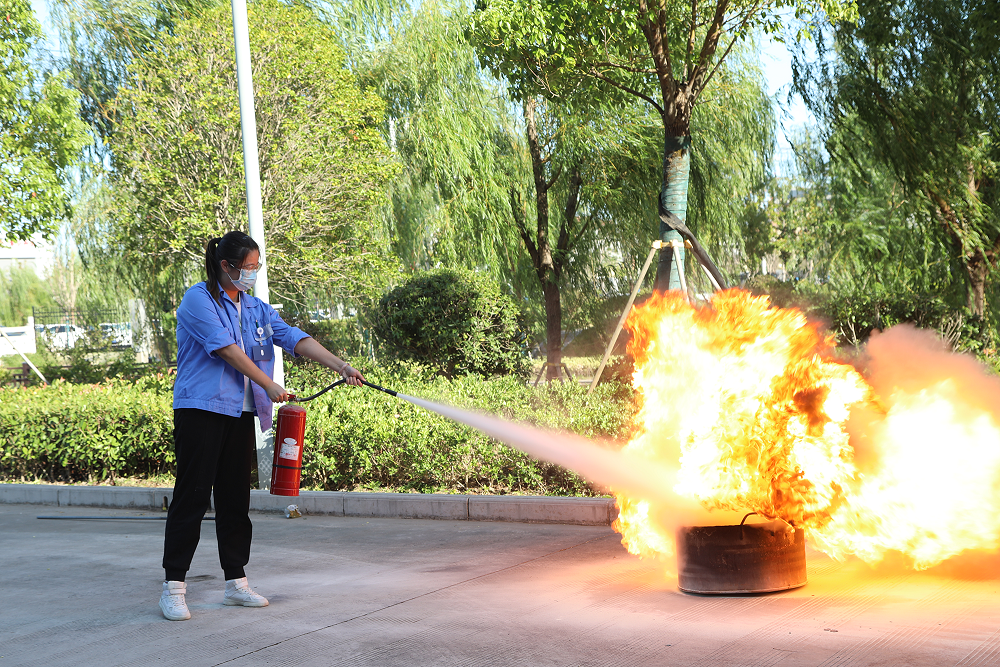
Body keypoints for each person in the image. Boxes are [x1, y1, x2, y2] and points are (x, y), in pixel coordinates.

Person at [159, 231, 364, 621]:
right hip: (202, 411)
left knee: (235, 500)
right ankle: (173, 588)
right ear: (226, 266)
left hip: (239, 414)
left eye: (256, 266)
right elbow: (225, 349)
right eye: (248, 267)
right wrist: (268, 383)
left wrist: (340, 365)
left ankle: (236, 583)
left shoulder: (256, 308)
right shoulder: (198, 300)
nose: (252, 273)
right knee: (193, 497)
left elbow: (293, 337)